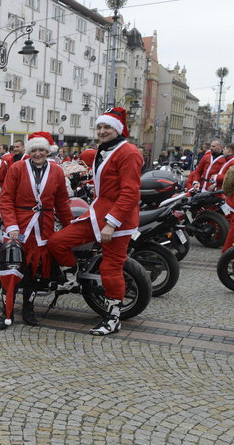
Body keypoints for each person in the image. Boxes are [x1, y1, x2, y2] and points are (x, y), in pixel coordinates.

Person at [48, 108, 142, 336]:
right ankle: (71, 279)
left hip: (117, 220)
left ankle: (113, 317)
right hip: (97, 212)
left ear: (117, 129)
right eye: (99, 127)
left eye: (107, 127)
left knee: (110, 268)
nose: (102, 131)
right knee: (57, 241)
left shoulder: (128, 152)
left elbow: (130, 193)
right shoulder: (106, 150)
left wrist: (112, 223)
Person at [0, 131, 73, 330]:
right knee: (11, 270)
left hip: (42, 228)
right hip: (19, 226)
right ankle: (7, 312)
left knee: (33, 272)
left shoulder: (56, 171)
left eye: (42, 150)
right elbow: (6, 199)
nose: (38, 153)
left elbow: (62, 202)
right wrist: (11, 225)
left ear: (47, 151)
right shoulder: (17, 168)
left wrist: (70, 226)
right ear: (29, 151)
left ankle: (28, 309)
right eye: (34, 150)